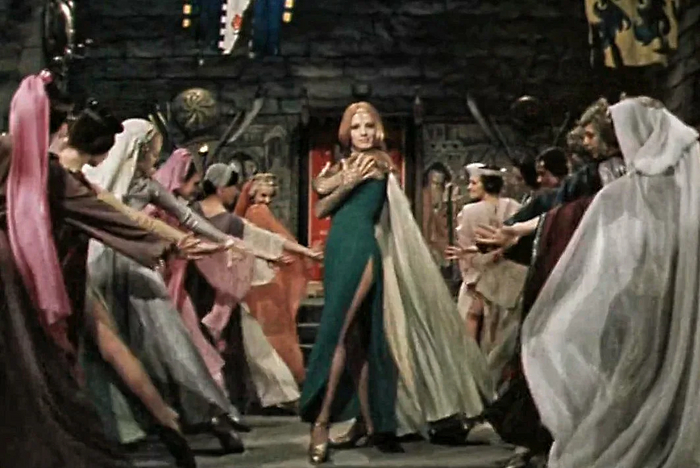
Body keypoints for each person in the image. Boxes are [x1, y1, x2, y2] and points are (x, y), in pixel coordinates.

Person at [0, 73, 178, 468]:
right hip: (20, 270)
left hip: (40, 265)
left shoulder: (31, 161)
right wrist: (165, 245)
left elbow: (108, 213)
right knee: (32, 363)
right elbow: (108, 217)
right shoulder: (44, 169)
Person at [301, 102, 493, 464]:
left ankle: (321, 422)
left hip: (361, 247)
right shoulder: (348, 164)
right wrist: (341, 180)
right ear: (346, 132)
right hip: (339, 247)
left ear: (377, 130)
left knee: (337, 332)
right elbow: (320, 206)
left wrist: (341, 182)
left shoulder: (378, 161)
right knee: (356, 339)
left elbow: (326, 201)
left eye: (368, 125)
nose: (363, 132)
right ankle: (367, 422)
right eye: (356, 126)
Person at [520, 96, 700, 468]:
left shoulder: (638, 185)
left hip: (649, 296)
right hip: (670, 295)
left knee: (634, 375)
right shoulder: (684, 173)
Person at [83, 119, 249, 456]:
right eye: (152, 152)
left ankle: (204, 411)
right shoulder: (93, 179)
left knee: (167, 337)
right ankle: (129, 423)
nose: (154, 159)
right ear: (138, 150)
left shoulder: (147, 186)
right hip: (102, 265)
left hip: (137, 264)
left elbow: (186, 216)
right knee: (114, 346)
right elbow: (137, 220)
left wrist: (223, 240)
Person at [445, 163, 526, 386]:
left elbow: (464, 248)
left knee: (472, 325)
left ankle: (471, 378)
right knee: (499, 337)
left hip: (482, 278)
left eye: (473, 183)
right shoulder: (515, 206)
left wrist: (471, 279)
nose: (469, 187)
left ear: (486, 185)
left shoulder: (469, 212)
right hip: (508, 282)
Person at [234, 172, 316, 384]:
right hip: (263, 277)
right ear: (252, 194)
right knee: (273, 327)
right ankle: (282, 378)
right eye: (263, 195)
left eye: (270, 196)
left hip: (261, 274)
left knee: (268, 328)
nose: (266, 201)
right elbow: (274, 240)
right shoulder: (257, 212)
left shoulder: (253, 213)